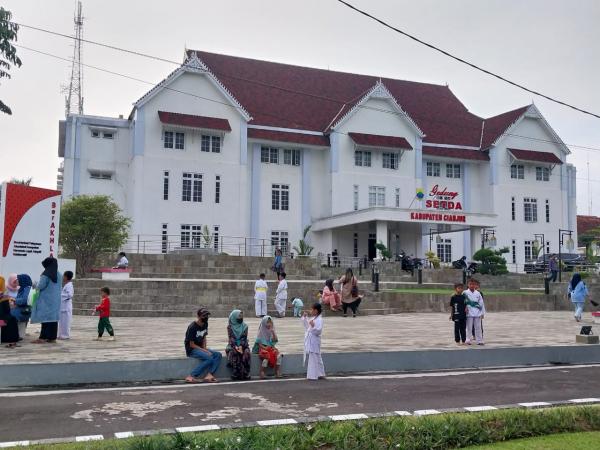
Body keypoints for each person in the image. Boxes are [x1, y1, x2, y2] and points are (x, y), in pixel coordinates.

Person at [184, 307, 221, 383]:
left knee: (218, 355)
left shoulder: (205, 324)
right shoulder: (192, 327)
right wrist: (205, 351)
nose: (206, 317)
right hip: (192, 350)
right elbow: (191, 344)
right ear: (198, 316)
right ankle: (191, 376)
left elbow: (204, 337)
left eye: (207, 315)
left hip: (200, 348)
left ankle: (209, 375)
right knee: (209, 358)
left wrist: (205, 348)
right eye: (204, 316)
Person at [31, 257, 62, 344]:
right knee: (53, 319)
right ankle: (52, 338)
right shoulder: (59, 274)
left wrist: (34, 284)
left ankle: (43, 337)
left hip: (46, 300)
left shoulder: (46, 274)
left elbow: (40, 286)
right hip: (55, 300)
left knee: (45, 318)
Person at [302, 302, 325, 380]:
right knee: (317, 356)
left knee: (314, 357)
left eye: (312, 309)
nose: (311, 311)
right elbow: (307, 327)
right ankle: (320, 373)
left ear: (316, 310)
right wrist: (305, 318)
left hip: (315, 340)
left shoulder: (320, 319)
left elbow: (318, 331)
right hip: (311, 340)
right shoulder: (314, 318)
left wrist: (313, 326)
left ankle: (313, 375)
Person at [226, 309, 251, 380]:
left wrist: (241, 346)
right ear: (234, 317)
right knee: (233, 352)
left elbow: (244, 338)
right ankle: (236, 372)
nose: (240, 318)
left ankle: (246, 372)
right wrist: (236, 346)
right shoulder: (230, 327)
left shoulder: (245, 326)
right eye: (239, 316)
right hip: (233, 344)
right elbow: (231, 338)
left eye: (241, 316)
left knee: (246, 352)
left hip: (243, 344)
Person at [464, 278, 485, 346]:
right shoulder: (465, 293)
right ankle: (468, 340)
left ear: (475, 285)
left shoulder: (478, 293)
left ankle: (479, 340)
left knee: (478, 327)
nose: (472, 286)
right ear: (468, 285)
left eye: (473, 284)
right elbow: (463, 302)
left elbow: (481, 303)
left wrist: (482, 313)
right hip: (469, 313)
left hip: (477, 313)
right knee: (469, 327)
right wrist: (465, 307)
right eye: (470, 284)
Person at [12, 274, 32, 340]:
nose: (17, 280)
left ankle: (11, 333)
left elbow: (24, 300)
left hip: (23, 310)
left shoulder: (27, 288)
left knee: (8, 314)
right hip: (22, 309)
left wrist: (15, 300)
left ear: (22, 280)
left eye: (18, 279)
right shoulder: (23, 288)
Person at [0, 277, 19, 348]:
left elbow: (6, 309)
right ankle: (8, 338)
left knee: (11, 319)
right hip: (2, 318)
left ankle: (9, 338)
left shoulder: (4, 294)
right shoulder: (4, 293)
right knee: (10, 319)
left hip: (2, 317)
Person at [58, 271, 74, 340]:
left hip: (66, 307)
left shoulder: (69, 285)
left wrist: (60, 295)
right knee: (62, 322)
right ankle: (61, 335)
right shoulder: (66, 285)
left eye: (64, 276)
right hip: (63, 307)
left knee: (65, 322)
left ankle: (65, 335)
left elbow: (70, 295)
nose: (63, 277)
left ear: (66, 277)